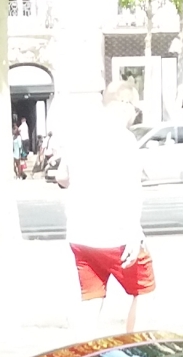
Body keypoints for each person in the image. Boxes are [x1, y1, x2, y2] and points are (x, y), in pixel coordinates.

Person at [56, 82, 153, 331]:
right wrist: (134, 233)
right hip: (116, 234)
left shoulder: (79, 133)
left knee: (91, 298)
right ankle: (137, 351)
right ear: (125, 105)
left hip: (81, 234)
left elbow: (62, 177)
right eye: (136, 110)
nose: (135, 117)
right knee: (144, 291)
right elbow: (133, 188)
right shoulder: (124, 139)